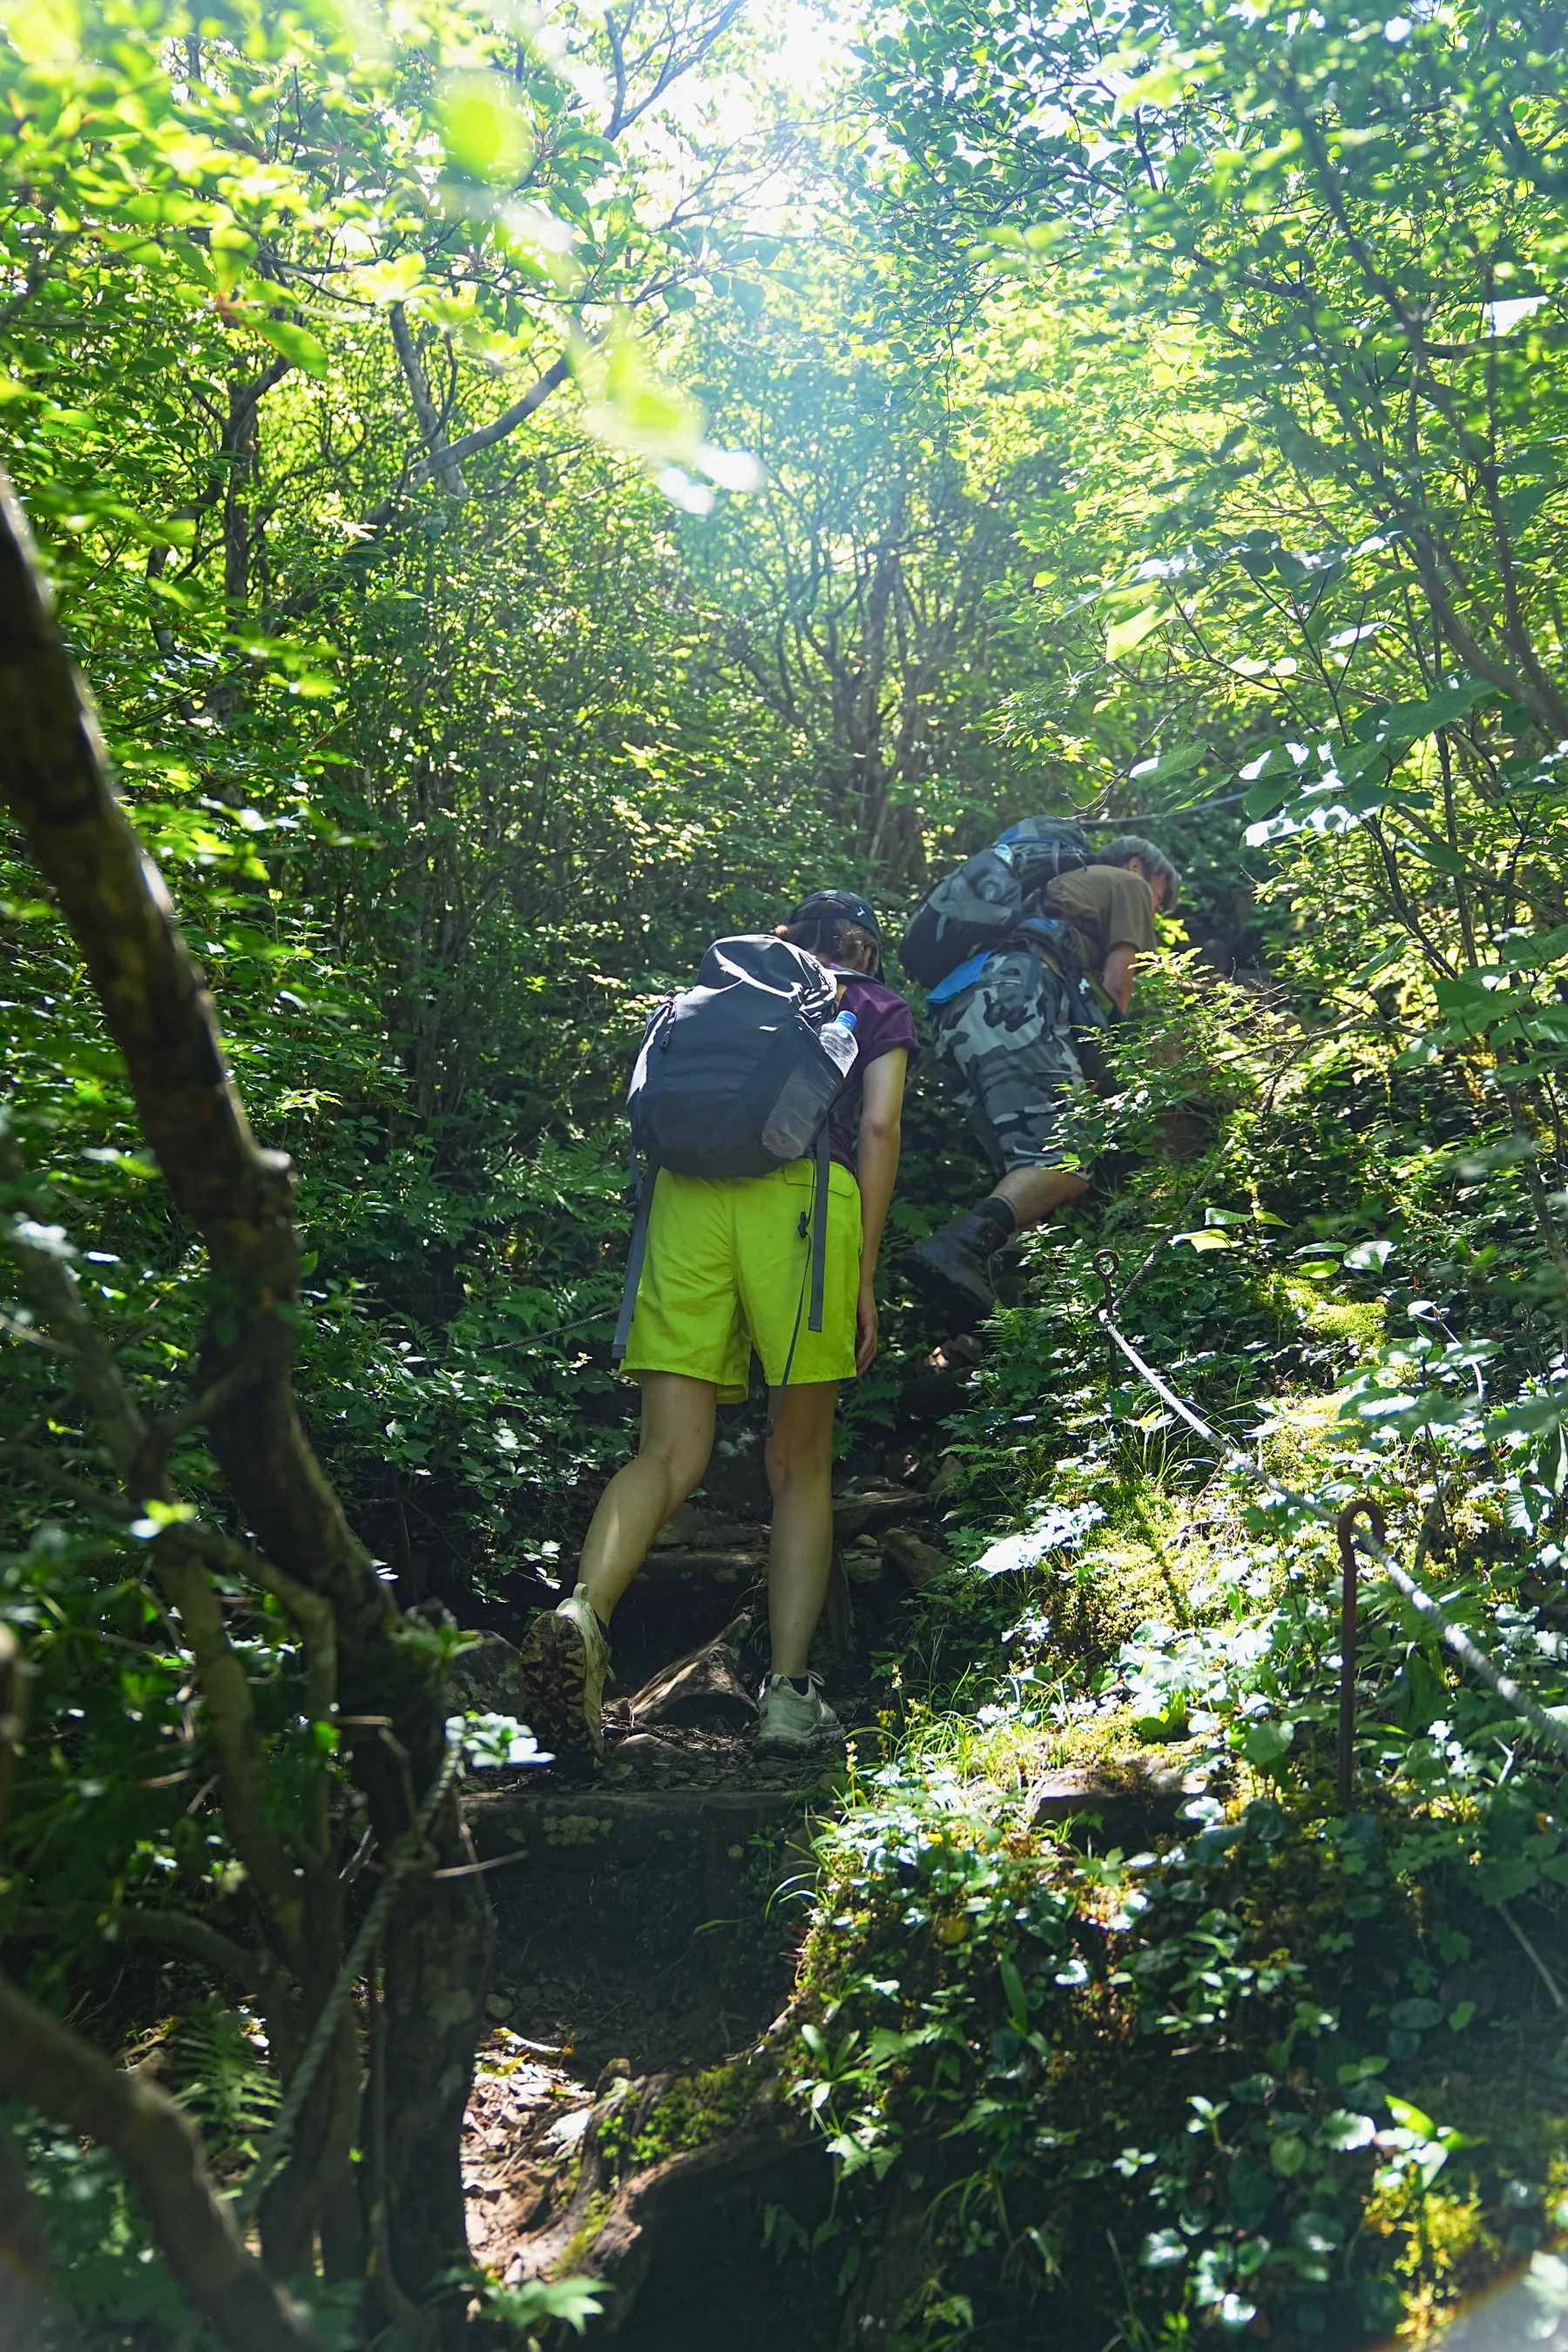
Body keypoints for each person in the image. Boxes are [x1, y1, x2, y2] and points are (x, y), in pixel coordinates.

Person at [519, 889, 916, 1760]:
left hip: (684, 1205)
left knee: (666, 1453)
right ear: (867, 950)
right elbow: (879, 1124)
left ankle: (579, 1615)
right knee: (799, 1459)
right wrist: (863, 1272)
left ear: (790, 944)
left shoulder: (720, 999)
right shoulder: (874, 1005)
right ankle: (786, 1697)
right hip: (805, 1205)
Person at [901, 835, 1180, 1324]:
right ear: (1137, 867)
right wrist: (1114, 1064)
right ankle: (958, 1246)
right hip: (1013, 996)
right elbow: (1118, 984)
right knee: (1066, 1160)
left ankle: (1004, 1314)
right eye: (1158, 898)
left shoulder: (1047, 893)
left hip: (955, 1010)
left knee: (1025, 1175)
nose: (1152, 911)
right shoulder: (1125, 886)